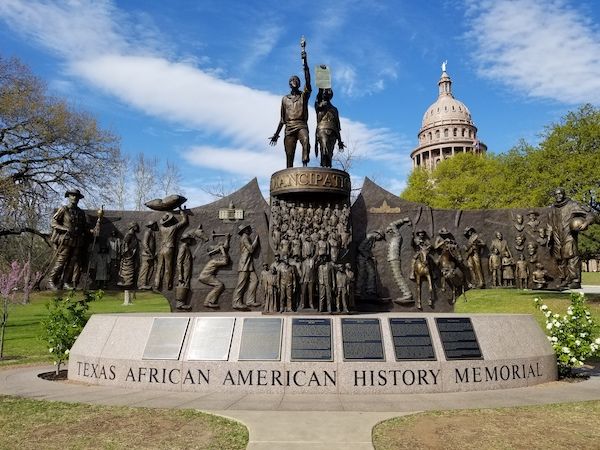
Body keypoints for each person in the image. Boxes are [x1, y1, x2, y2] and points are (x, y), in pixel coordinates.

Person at [269, 38, 312, 168]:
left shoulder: (304, 95)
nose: (295, 81)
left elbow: (308, 82)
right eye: (292, 79)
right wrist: (276, 135)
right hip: (289, 128)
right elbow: (282, 119)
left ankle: (305, 166)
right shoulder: (284, 99)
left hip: (301, 125)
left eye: (297, 80)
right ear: (289, 83)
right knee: (289, 154)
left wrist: (305, 63)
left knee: (306, 141)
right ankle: (290, 176)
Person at [48, 189, 99, 290]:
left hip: (77, 241)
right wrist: (64, 229)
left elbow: (84, 228)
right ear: (68, 197)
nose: (74, 197)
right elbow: (53, 223)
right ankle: (51, 280)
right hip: (66, 240)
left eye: (76, 196)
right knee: (61, 261)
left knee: (72, 263)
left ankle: (66, 282)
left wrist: (92, 231)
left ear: (79, 198)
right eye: (72, 195)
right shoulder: (63, 209)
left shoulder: (81, 212)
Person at [547, 187, 597, 288]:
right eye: (556, 194)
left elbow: (591, 214)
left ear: (564, 194)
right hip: (557, 236)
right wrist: (549, 235)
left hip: (568, 235)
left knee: (571, 257)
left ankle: (575, 280)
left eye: (560, 194)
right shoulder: (552, 208)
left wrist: (586, 222)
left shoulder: (572, 205)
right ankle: (564, 279)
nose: (558, 196)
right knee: (560, 258)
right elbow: (549, 223)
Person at [154, 209, 189, 291]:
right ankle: (168, 285)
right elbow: (184, 221)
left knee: (159, 267)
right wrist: (182, 213)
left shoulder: (161, 228)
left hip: (162, 249)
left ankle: (156, 284)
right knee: (168, 268)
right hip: (169, 248)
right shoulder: (173, 228)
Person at [232, 224, 260, 309]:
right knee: (241, 283)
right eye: (247, 229)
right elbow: (251, 249)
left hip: (248, 263)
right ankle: (236, 302)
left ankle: (250, 301)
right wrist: (256, 241)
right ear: (244, 230)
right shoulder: (244, 237)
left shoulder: (245, 237)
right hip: (244, 264)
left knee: (254, 280)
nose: (249, 230)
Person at [315, 88, 345, 168]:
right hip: (322, 130)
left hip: (333, 132)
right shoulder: (319, 106)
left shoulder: (334, 109)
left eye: (328, 92)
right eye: (324, 92)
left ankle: (327, 168)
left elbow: (337, 126)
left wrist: (339, 142)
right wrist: (321, 84)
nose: (326, 93)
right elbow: (318, 97)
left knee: (329, 154)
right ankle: (324, 166)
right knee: (324, 150)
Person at [198, 234, 230, 308]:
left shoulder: (214, 260)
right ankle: (208, 302)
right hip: (205, 276)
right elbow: (225, 262)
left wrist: (227, 239)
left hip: (207, 276)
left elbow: (225, 247)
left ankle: (210, 301)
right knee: (219, 285)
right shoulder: (213, 261)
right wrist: (222, 250)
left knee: (219, 285)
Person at [117, 222, 140, 287]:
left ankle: (128, 281)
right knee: (127, 267)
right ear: (133, 226)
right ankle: (124, 281)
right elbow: (125, 243)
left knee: (130, 267)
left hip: (131, 253)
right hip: (128, 255)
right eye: (136, 226)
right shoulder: (130, 234)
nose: (137, 227)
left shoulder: (133, 234)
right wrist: (128, 252)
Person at [137, 221, 158, 290]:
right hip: (147, 255)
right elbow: (144, 243)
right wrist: (150, 253)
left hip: (150, 255)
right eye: (155, 225)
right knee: (144, 269)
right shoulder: (148, 232)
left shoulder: (152, 232)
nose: (156, 226)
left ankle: (145, 283)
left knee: (149, 269)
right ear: (152, 225)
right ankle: (141, 284)